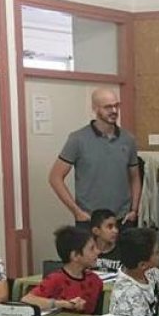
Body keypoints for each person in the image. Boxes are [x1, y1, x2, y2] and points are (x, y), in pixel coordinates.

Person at [48, 88, 141, 228]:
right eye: (108, 107)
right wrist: (76, 211)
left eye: (116, 105)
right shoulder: (78, 139)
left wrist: (134, 210)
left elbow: (135, 177)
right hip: (90, 220)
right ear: (95, 108)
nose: (114, 110)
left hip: (122, 220)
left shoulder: (128, 140)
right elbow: (55, 177)